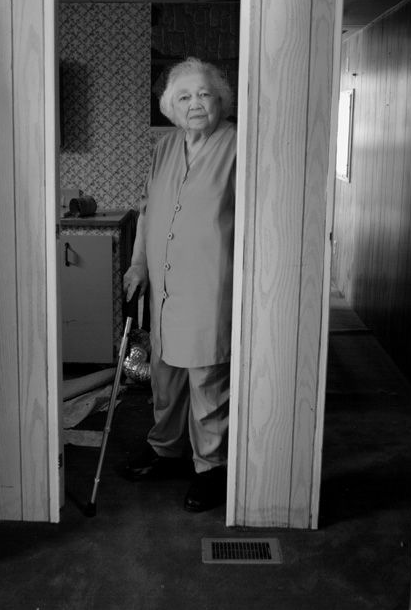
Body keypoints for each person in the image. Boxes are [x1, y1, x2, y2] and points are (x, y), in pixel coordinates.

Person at [121, 57, 236, 513]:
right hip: (165, 289)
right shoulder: (165, 147)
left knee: (207, 378)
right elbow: (148, 212)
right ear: (170, 107)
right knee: (165, 377)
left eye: (204, 94)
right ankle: (167, 448)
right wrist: (137, 266)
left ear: (220, 100)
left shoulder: (237, 144)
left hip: (211, 286)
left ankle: (211, 466)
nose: (195, 104)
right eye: (184, 97)